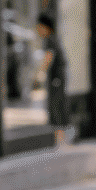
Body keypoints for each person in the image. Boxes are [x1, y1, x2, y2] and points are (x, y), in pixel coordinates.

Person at [35, 12, 69, 145]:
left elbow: (49, 57)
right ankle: (60, 138)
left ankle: (60, 139)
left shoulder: (50, 39)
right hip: (58, 76)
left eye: (39, 27)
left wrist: (39, 74)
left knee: (56, 104)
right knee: (58, 103)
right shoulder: (53, 38)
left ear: (45, 27)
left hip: (56, 77)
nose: (38, 30)